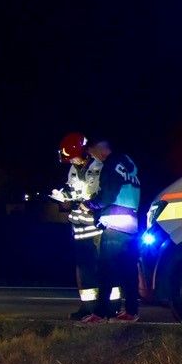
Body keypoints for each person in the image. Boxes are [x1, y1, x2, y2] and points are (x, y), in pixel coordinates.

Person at [81, 138, 142, 323]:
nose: (93, 157)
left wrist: (89, 204)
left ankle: (99, 314)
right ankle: (131, 311)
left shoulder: (111, 163)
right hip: (131, 224)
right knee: (128, 271)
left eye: (92, 153)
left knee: (105, 270)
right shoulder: (128, 162)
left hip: (114, 222)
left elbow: (107, 195)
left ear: (99, 149)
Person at [52, 132, 106, 320]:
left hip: (97, 227)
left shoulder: (99, 167)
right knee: (83, 268)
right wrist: (63, 198)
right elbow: (72, 190)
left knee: (101, 266)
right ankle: (87, 307)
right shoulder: (74, 169)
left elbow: (103, 195)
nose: (71, 162)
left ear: (81, 152)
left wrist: (88, 204)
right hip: (79, 227)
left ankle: (107, 307)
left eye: (72, 157)